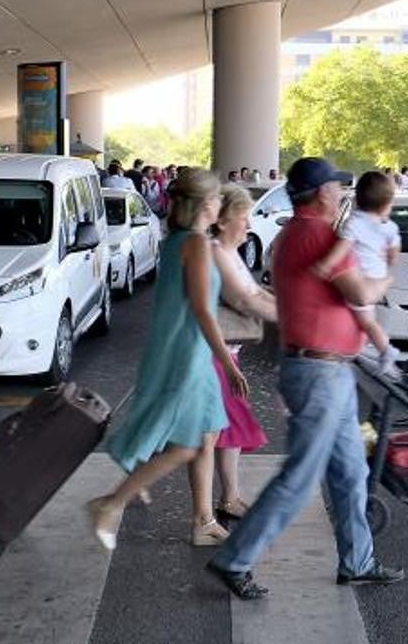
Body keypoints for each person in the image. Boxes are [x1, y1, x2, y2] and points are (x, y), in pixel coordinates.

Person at [207, 157, 402, 600]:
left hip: (327, 369)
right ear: (321, 194)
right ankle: (234, 558)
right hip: (319, 373)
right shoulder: (318, 234)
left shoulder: (293, 233)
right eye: (336, 187)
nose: (341, 193)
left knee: (351, 471)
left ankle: (358, 560)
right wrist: (390, 268)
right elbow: (361, 293)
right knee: (299, 477)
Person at [88, 169, 247, 550]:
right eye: (216, 200)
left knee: (206, 435)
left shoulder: (180, 240)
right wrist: (227, 362)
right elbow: (202, 311)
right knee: (186, 445)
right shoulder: (193, 244)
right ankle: (112, 503)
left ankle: (203, 521)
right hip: (187, 355)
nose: (220, 205)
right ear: (206, 204)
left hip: (192, 351)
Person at [209, 185, 278, 521]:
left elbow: (255, 293)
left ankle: (229, 497)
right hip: (213, 354)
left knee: (225, 427)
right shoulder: (216, 252)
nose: (249, 224)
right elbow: (244, 300)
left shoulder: (230, 252)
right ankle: (127, 489)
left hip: (225, 352)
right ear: (222, 221)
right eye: (243, 216)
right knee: (220, 426)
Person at [312, 171, 401, 372]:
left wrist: (325, 265)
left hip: (361, 279)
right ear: (386, 205)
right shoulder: (390, 227)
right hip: (377, 276)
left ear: (357, 199)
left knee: (367, 322)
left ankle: (386, 350)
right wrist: (387, 267)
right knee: (368, 320)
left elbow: (341, 248)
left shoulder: (354, 223)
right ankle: (381, 349)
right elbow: (394, 255)